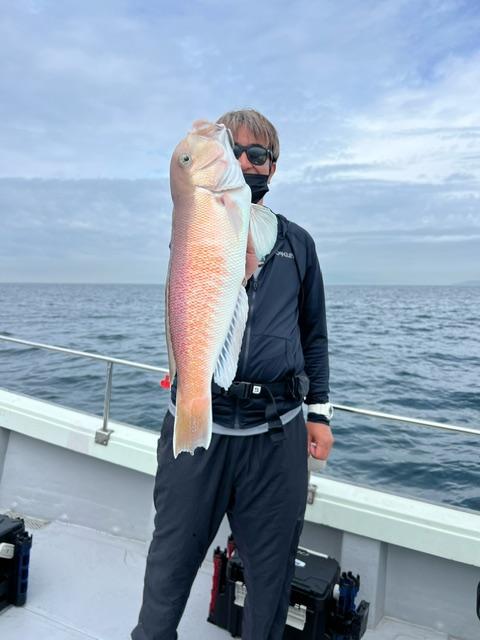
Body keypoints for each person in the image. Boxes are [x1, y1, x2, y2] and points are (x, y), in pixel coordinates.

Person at [131, 109, 334, 640]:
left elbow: (313, 334)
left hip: (276, 431)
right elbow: (192, 233)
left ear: (274, 166)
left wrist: (319, 414)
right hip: (202, 423)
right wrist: (191, 165)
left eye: (258, 154)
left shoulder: (299, 244)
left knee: (271, 572)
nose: (245, 161)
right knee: (171, 559)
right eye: (235, 151)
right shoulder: (204, 215)